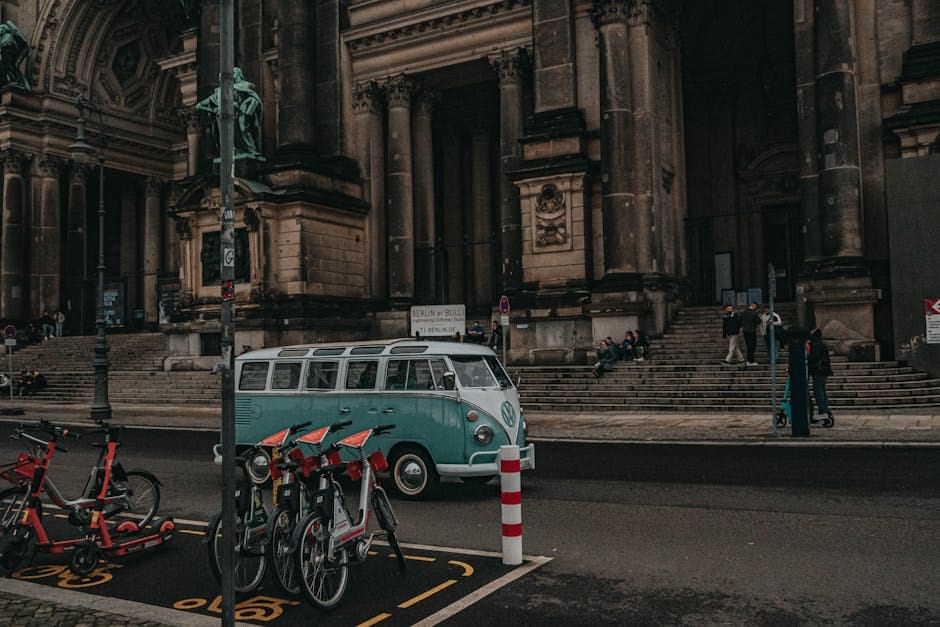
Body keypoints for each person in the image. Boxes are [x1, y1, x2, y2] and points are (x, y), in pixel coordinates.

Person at [807, 328, 834, 423]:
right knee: (821, 390)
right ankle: (824, 409)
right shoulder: (820, 344)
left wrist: (807, 356)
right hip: (822, 370)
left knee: (818, 391)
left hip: (819, 370)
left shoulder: (817, 344)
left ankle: (823, 410)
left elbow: (814, 357)